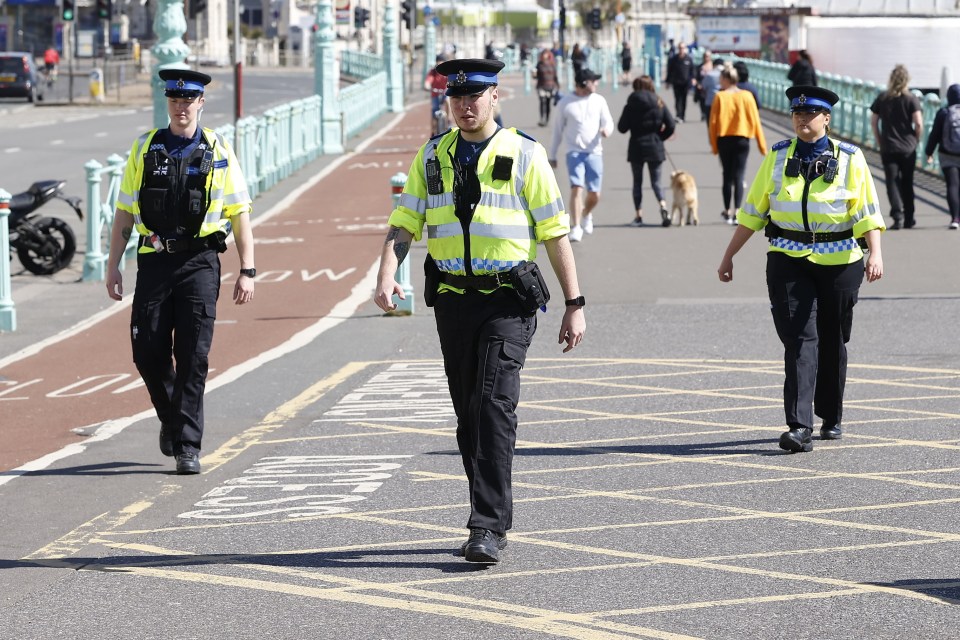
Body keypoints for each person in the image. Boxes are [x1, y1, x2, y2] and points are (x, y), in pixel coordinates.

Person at [372, 59, 586, 564]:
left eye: (476, 96)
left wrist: (575, 303)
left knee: (493, 405)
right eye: (457, 98)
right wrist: (386, 273)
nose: (465, 106)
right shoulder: (433, 156)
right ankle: (489, 512)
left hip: (507, 301)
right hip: (453, 302)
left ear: (495, 98)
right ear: (448, 102)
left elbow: (554, 233)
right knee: (469, 416)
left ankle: (486, 526)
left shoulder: (525, 154)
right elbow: (404, 221)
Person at [717, 85, 885, 454]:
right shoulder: (777, 157)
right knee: (798, 340)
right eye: (797, 114)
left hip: (840, 259)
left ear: (826, 118)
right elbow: (753, 212)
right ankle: (799, 426)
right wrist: (729, 255)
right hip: (788, 257)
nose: (802, 120)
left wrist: (875, 252)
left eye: (810, 114)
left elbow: (866, 210)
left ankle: (831, 414)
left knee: (831, 337)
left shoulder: (851, 158)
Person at [105, 69, 255, 475]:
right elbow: (124, 209)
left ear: (201, 103)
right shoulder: (145, 147)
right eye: (174, 99)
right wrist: (113, 264)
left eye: (189, 100)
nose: (181, 106)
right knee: (148, 350)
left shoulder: (218, 149)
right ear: (167, 103)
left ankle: (187, 445)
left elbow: (239, 211)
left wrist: (248, 268)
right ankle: (172, 419)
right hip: (154, 260)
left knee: (194, 356)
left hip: (200, 262)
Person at [549, 68, 615, 242]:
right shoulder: (565, 103)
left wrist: (606, 130)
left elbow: (609, 122)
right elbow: (557, 130)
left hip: (594, 151)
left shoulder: (599, 100)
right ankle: (576, 226)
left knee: (595, 194)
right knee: (576, 188)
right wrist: (553, 154)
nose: (597, 83)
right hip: (574, 151)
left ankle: (586, 213)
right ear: (584, 83)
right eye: (594, 81)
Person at [709, 63, 767, 224]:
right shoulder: (747, 96)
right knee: (739, 175)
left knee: (727, 175)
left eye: (721, 78)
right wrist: (762, 146)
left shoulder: (720, 96)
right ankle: (736, 212)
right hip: (742, 139)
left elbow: (713, 123)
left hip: (724, 139)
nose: (720, 81)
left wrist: (714, 146)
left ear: (727, 79)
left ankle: (727, 211)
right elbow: (755, 120)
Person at [617, 75, 676, 226]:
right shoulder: (659, 102)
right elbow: (671, 125)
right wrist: (660, 137)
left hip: (636, 146)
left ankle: (639, 216)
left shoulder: (630, 104)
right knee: (656, 181)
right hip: (655, 145)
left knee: (637, 182)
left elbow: (622, 128)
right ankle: (663, 205)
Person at [870, 65, 923, 230]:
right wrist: (915, 140)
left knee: (892, 182)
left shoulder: (883, 98)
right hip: (908, 148)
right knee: (907, 182)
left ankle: (897, 216)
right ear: (907, 80)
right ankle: (909, 217)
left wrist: (879, 140)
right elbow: (919, 123)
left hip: (889, 147)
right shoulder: (912, 99)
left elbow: (873, 121)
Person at [924, 83, 960, 229]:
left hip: (947, 154)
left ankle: (955, 218)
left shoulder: (943, 112)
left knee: (952, 185)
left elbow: (935, 135)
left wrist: (928, 152)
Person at [665, 42, 695, 122]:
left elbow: (692, 71)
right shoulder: (674, 59)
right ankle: (678, 115)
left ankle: (682, 115)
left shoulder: (688, 59)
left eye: (683, 48)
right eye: (680, 48)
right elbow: (669, 70)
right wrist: (668, 82)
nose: (681, 49)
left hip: (685, 83)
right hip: (676, 82)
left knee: (684, 100)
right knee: (678, 99)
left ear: (685, 49)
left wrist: (693, 79)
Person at [424, 54, 450, 135]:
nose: (439, 64)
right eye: (438, 62)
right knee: (434, 110)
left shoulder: (447, 72)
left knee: (447, 101)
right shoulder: (433, 72)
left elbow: (450, 80)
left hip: (445, 92)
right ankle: (433, 130)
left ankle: (448, 121)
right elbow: (428, 82)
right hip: (435, 94)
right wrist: (427, 86)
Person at [534, 48, 558, 127]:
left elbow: (555, 76)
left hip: (550, 86)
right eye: (543, 54)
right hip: (541, 86)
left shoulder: (552, 64)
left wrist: (557, 85)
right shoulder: (539, 64)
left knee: (548, 103)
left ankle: (547, 119)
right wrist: (533, 74)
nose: (545, 55)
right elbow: (536, 76)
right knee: (542, 102)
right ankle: (542, 119)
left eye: (546, 54)